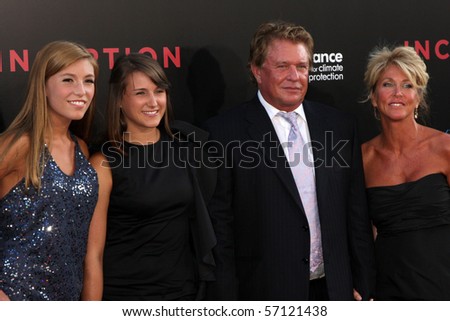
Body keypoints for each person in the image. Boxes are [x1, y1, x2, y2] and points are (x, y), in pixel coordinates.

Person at [202, 20, 375, 300]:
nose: (295, 76)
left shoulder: (339, 126)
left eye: (302, 67)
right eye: (283, 66)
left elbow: (356, 213)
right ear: (257, 71)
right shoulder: (223, 133)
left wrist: (364, 283)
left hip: (335, 291)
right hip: (264, 294)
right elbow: (221, 228)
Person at [82, 53, 216, 300]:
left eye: (159, 91)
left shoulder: (185, 147)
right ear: (120, 100)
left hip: (184, 294)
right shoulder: (104, 162)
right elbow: (93, 254)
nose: (153, 102)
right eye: (141, 93)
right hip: (126, 295)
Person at [0, 40, 99, 300]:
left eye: (88, 81)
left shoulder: (82, 149)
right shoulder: (17, 145)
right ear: (43, 86)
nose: (81, 91)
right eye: (68, 80)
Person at [361, 46, 450, 300]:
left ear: (418, 97)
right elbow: (362, 234)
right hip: (390, 290)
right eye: (388, 84)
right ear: (374, 97)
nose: (398, 93)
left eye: (408, 85)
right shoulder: (362, 159)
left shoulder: (445, 148)